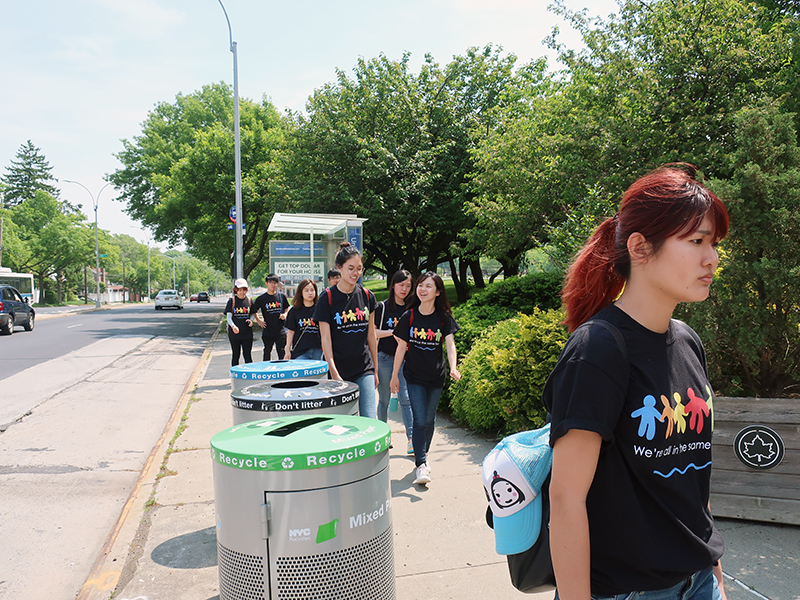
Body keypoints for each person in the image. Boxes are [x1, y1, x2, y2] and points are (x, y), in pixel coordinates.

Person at [543, 164, 729, 600]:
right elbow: (566, 499)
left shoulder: (686, 341)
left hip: (698, 580)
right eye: (697, 241)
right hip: (629, 592)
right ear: (641, 248)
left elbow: (692, 478)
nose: (712, 258)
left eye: (714, 243)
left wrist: (712, 561)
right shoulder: (597, 350)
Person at [391, 271, 461, 485]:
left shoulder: (443, 318)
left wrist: (453, 367)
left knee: (429, 420)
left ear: (438, 292)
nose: (422, 289)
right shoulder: (409, 316)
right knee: (420, 420)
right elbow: (401, 347)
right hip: (413, 376)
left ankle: (424, 456)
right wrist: (394, 376)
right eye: (420, 285)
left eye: (428, 286)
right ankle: (421, 463)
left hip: (436, 376)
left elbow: (450, 345)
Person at [314, 243, 378, 418]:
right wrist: (333, 372)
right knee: (342, 423)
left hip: (364, 368)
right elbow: (325, 339)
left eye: (359, 268)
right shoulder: (326, 299)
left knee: (369, 418)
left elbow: (371, 335)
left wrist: (375, 370)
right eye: (350, 268)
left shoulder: (367, 296)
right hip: (338, 370)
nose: (355, 273)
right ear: (339, 268)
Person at [375, 270, 415, 454]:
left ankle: (412, 438)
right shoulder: (382, 307)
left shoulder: (413, 307)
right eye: (401, 285)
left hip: (406, 360)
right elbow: (373, 333)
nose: (404, 289)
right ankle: (383, 435)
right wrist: (394, 332)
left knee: (406, 399)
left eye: (408, 285)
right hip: (384, 358)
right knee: (383, 400)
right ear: (393, 285)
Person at [250, 273, 290, 361]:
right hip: (268, 330)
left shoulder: (281, 296)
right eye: (271, 282)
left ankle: (283, 370)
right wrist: (259, 321)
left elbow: (287, 307)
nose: (273, 285)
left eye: (275, 283)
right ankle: (266, 371)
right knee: (267, 351)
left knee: (281, 351)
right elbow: (253, 310)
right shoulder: (262, 298)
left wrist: (285, 314)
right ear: (266, 283)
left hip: (280, 330)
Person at [283, 279, 323, 361]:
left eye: (312, 290)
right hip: (300, 352)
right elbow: (290, 331)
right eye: (306, 290)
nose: (310, 293)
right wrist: (287, 350)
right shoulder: (294, 311)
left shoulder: (320, 310)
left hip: (318, 350)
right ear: (301, 293)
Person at [224, 278, 254, 367]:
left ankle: (249, 374)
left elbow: (252, 314)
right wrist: (233, 326)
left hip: (247, 333)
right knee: (236, 354)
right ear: (236, 290)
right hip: (235, 334)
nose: (242, 292)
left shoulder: (249, 301)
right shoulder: (232, 301)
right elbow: (229, 317)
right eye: (239, 290)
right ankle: (235, 375)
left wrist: (251, 320)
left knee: (247, 355)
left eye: (244, 290)